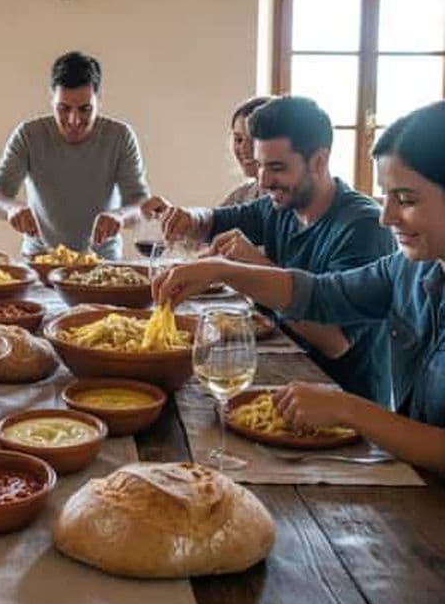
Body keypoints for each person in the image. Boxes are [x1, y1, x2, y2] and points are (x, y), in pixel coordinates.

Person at [154, 101, 445, 473]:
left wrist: (346, 407)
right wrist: (221, 270)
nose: (387, 217)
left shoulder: (367, 227)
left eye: (405, 200)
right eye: (385, 196)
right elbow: (320, 294)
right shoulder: (408, 267)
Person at [159, 96, 397, 404]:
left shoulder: (363, 225)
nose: (264, 180)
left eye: (276, 168)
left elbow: (334, 341)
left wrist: (251, 266)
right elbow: (216, 219)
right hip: (280, 381)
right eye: (259, 166)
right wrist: (189, 217)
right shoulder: (282, 203)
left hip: (343, 408)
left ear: (319, 161)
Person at [0, 51, 150, 260]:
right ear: (51, 99)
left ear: (99, 99)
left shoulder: (120, 136)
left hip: (102, 264)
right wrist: (11, 209)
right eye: (64, 108)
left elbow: (142, 206)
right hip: (40, 262)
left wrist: (120, 216)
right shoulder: (28, 135)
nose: (74, 120)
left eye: (85, 109)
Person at [220, 95, 271, 206]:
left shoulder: (295, 199)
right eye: (238, 140)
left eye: (254, 140)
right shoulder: (239, 197)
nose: (244, 148)